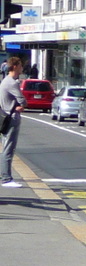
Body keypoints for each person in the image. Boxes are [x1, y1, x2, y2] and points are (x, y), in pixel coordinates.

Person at [0, 57, 27, 188]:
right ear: (15, 66)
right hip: (11, 117)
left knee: (6, 146)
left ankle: (5, 176)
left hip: (5, 116)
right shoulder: (12, 83)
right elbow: (22, 100)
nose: (22, 68)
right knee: (9, 148)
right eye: (21, 65)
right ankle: (6, 178)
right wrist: (20, 105)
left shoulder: (5, 81)